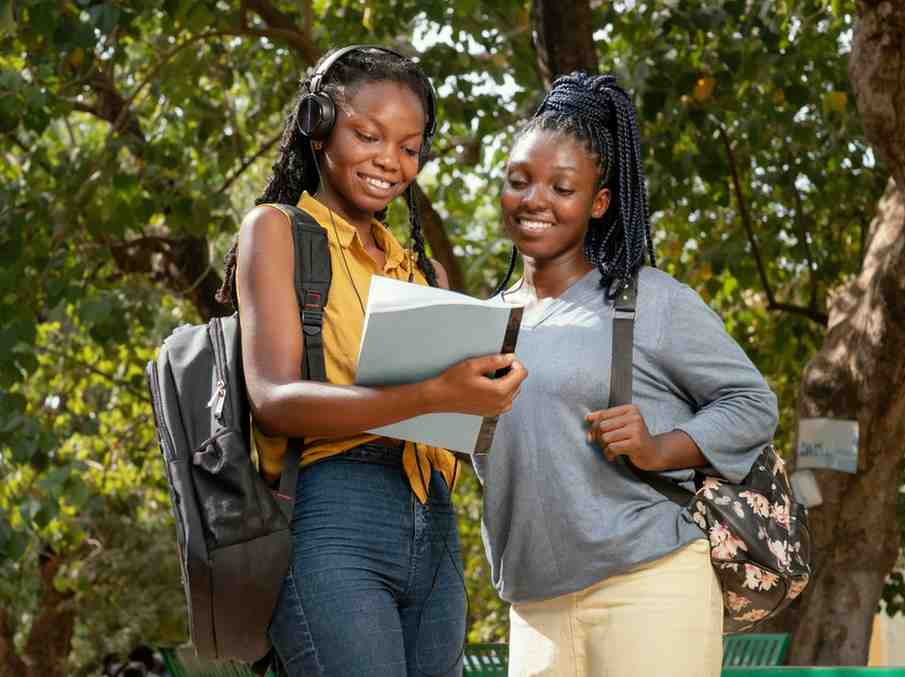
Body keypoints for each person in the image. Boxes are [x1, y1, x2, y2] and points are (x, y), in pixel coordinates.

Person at [215, 45, 527, 677]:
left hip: (433, 520)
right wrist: (433, 394)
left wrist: (483, 396)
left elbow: (452, 422)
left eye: (410, 148)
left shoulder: (424, 273)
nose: (391, 160)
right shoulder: (276, 230)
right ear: (318, 125)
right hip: (332, 512)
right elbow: (273, 401)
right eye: (368, 135)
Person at [473, 72, 779, 677]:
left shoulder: (648, 301)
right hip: (533, 603)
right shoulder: (481, 323)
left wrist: (659, 446)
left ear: (599, 202)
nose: (534, 199)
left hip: (649, 584)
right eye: (519, 180)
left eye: (562, 187)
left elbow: (751, 403)